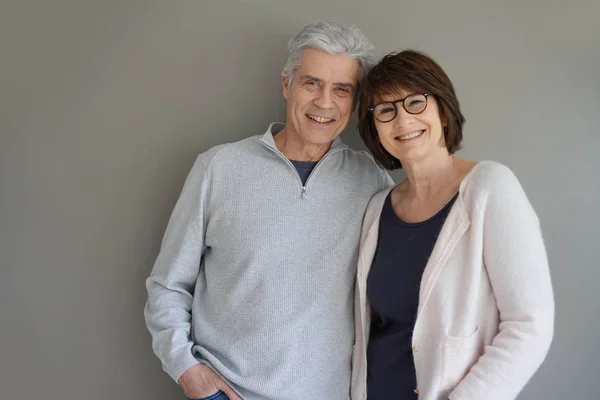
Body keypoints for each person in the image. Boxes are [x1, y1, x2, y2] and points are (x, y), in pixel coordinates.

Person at [144, 20, 393, 400]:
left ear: (355, 101)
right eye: (311, 83)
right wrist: (186, 369)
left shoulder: (372, 182)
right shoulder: (219, 168)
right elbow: (168, 285)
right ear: (286, 85)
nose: (325, 103)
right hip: (227, 394)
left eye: (341, 89)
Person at [351, 50, 554, 400]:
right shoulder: (376, 208)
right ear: (375, 128)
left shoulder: (490, 187)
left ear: (442, 110)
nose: (402, 121)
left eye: (415, 102)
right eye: (386, 110)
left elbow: (529, 326)